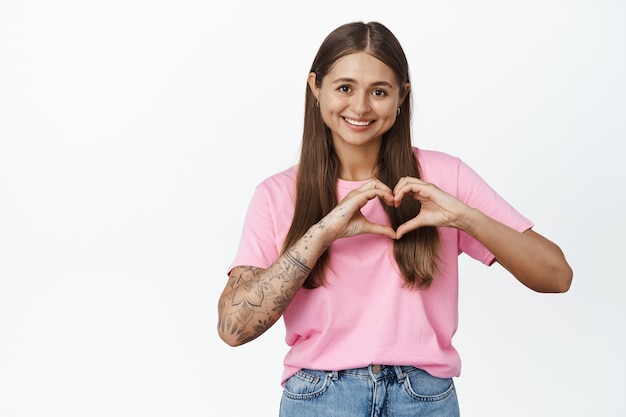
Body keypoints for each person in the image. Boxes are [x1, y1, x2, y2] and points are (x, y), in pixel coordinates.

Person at [217, 21, 572, 417]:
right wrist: (321, 234)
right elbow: (233, 327)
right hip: (319, 399)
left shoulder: (443, 177)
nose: (361, 107)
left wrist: (466, 218)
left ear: (402, 96)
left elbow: (557, 276)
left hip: (423, 399)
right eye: (345, 87)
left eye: (379, 92)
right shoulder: (276, 195)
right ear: (316, 87)